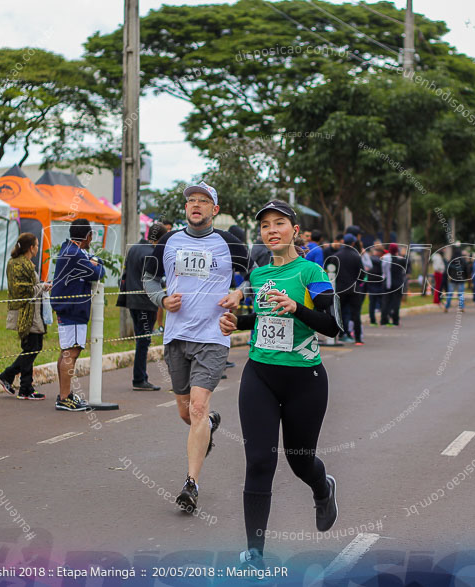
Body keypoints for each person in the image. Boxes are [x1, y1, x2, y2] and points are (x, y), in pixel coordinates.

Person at [218, 200, 341, 574]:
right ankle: (255, 553)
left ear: (295, 232)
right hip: (261, 374)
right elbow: (263, 318)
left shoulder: (311, 271)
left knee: (300, 460)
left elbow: (332, 325)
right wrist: (237, 323)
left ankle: (323, 488)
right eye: (266, 225)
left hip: (305, 380)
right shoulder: (257, 275)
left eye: (280, 224)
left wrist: (296, 307)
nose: (272, 230)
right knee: (259, 461)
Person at [144, 181, 251, 513]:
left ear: (214, 210)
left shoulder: (230, 243)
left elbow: (254, 277)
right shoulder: (168, 241)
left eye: (204, 201)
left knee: (197, 408)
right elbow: (148, 278)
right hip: (177, 336)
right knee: (185, 410)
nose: (196, 205)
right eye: (191, 200)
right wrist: (161, 298)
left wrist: (239, 293)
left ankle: (191, 484)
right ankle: (210, 423)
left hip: (213, 336)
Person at [50, 219, 105, 411]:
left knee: (68, 350)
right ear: (88, 236)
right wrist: (96, 262)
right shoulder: (74, 254)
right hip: (71, 307)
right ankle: (64, 397)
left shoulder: (71, 250)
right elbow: (98, 271)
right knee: (71, 352)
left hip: (71, 307)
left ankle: (65, 395)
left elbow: (97, 267)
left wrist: (95, 263)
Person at [0, 233, 50, 400]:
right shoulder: (18, 265)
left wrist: (41, 287)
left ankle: (24, 386)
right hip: (26, 313)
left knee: (33, 348)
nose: (37, 248)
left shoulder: (24, 264)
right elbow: (23, 291)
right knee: (31, 348)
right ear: (31, 248)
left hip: (33, 312)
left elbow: (30, 287)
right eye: (36, 245)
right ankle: (16, 381)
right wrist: (41, 287)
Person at [119, 223, 166, 391]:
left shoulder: (134, 249)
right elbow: (155, 279)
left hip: (132, 300)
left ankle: (141, 377)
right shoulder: (152, 253)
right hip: (146, 302)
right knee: (143, 341)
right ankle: (139, 378)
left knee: (141, 338)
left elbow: (125, 274)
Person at [325, 234, 363, 343]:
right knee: (356, 314)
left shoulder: (336, 256)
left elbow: (331, 272)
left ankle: (339, 335)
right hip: (354, 289)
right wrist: (358, 282)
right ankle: (358, 339)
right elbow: (362, 274)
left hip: (340, 289)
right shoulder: (356, 256)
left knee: (338, 313)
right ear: (352, 243)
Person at [381, 244, 405, 326]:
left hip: (387, 283)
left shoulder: (385, 258)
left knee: (386, 302)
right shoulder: (401, 260)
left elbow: (383, 271)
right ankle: (395, 320)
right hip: (398, 283)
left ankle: (384, 319)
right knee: (396, 303)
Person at [443, 246, 468, 312]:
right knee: (461, 294)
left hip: (452, 280)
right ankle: (461, 307)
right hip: (461, 279)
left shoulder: (451, 260)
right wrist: (466, 277)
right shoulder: (463, 260)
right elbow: (466, 269)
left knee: (450, 294)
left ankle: (446, 307)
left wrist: (450, 276)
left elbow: (448, 270)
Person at [366, 242, 385, 325]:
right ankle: (382, 320)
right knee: (380, 302)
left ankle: (373, 320)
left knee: (372, 303)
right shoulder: (380, 260)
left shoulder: (370, 259)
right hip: (377, 283)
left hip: (372, 283)